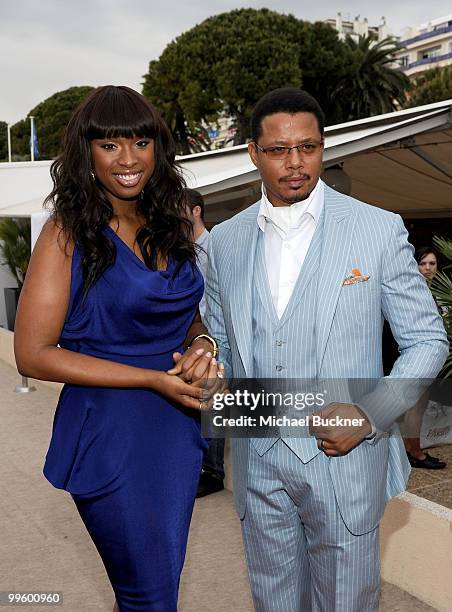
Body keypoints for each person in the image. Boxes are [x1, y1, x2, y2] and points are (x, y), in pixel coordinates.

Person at [204, 87, 448, 611]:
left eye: (308, 147)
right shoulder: (222, 242)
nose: (295, 164)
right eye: (277, 150)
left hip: (346, 457)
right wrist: (205, 364)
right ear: (253, 153)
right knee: (272, 601)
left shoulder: (378, 229)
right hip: (257, 450)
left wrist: (369, 412)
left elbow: (427, 340)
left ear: (323, 147)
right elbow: (220, 341)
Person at [14, 85, 222, 612]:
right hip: (109, 431)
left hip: (174, 432)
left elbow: (184, 314)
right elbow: (32, 353)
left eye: (140, 142)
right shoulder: (66, 234)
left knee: (154, 589)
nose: (129, 159)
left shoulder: (168, 224)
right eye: (110, 146)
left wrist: (201, 340)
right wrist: (151, 378)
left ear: (158, 148)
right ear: (87, 155)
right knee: (148, 595)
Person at [185, 188, 225, 497]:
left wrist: (210, 337)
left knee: (215, 402)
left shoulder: (214, 247)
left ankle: (213, 472)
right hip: (197, 337)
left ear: (196, 211)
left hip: (215, 335)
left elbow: (215, 298)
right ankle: (200, 467)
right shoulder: (186, 250)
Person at [403, 246, 447, 469]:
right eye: (423, 263)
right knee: (414, 407)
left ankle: (411, 449)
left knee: (417, 407)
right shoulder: (412, 290)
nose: (428, 268)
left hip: (430, 358)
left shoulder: (436, 291)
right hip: (412, 357)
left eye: (432, 264)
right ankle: (415, 453)